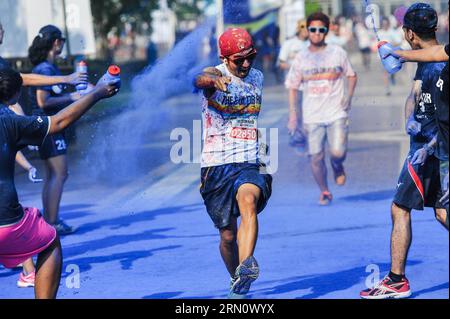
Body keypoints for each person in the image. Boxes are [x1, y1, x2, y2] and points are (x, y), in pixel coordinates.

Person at [0, 67, 119, 298]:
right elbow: (58, 122)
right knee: (49, 241)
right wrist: (97, 93)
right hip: (5, 221)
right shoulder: (10, 121)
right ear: (14, 96)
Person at [360, 3, 448, 299]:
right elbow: (415, 94)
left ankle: (396, 280)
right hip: (425, 145)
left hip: (430, 150)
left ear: (409, 33)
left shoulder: (439, 64)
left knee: (399, 207)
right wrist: (409, 117)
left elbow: (444, 119)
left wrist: (428, 147)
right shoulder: (427, 60)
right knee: (442, 213)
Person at [193, 28, 272, 299]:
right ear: (225, 58)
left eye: (251, 57)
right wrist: (211, 81)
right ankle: (238, 280)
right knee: (227, 235)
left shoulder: (257, 77)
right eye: (240, 60)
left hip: (249, 159)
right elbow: (200, 78)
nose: (247, 64)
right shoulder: (216, 74)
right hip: (216, 164)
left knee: (248, 200)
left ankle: (247, 263)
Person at [285, 12, 357, 206]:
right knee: (315, 157)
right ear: (307, 31)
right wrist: (293, 115)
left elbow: (351, 75)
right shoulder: (301, 57)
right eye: (312, 30)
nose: (316, 33)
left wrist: (348, 98)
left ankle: (337, 166)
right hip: (312, 116)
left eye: (321, 30)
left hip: (336, 112)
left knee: (337, 152)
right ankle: (324, 190)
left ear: (327, 32)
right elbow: (292, 87)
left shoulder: (337, 53)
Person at [28, 25, 83, 235]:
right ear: (56, 43)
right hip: (47, 126)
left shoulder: (48, 67)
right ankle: (52, 222)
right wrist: (73, 98)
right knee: (60, 173)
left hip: (47, 126)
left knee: (54, 174)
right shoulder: (44, 69)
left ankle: (50, 219)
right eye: (62, 41)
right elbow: (43, 101)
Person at [278, 19, 309, 153]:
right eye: (304, 29)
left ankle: (304, 136)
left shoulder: (311, 44)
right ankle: (296, 135)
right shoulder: (289, 43)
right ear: (299, 29)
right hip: (294, 85)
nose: (306, 31)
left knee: (307, 112)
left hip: (309, 84)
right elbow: (281, 63)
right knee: (296, 111)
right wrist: (295, 67)